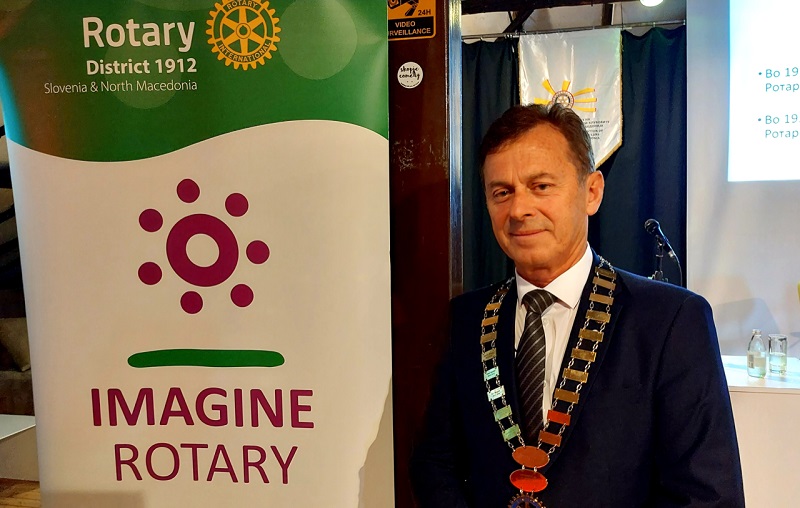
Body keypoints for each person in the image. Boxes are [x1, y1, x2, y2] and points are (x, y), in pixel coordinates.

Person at [410, 104, 744, 507]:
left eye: (540, 186)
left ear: (592, 192)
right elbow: (435, 463)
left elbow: (707, 494)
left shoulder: (670, 320)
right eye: (502, 192)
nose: (518, 210)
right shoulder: (467, 319)